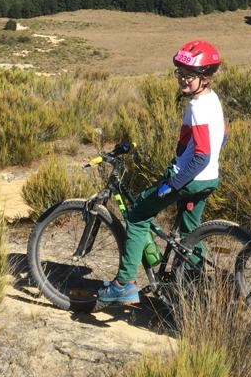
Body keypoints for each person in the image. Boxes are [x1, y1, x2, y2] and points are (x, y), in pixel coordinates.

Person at [97, 40, 226, 305]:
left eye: (189, 75)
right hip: (209, 178)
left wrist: (174, 183)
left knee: (137, 215)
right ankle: (194, 285)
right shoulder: (211, 100)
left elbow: (201, 155)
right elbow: (221, 138)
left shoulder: (197, 107)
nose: (183, 79)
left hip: (190, 179)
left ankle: (124, 284)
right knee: (190, 232)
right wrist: (182, 157)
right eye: (180, 73)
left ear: (205, 77)